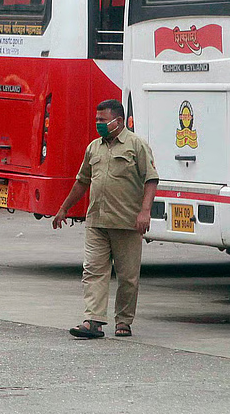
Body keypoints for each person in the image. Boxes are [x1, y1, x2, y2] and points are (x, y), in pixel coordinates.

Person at [52, 98, 158, 339]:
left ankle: (124, 321)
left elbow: (151, 179)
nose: (98, 123)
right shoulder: (94, 148)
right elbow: (82, 181)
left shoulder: (137, 145)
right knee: (93, 270)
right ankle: (94, 320)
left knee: (127, 277)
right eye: (97, 119)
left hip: (127, 222)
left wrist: (145, 211)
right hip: (97, 221)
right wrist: (64, 208)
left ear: (118, 121)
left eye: (102, 120)